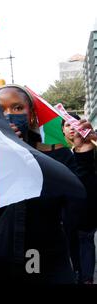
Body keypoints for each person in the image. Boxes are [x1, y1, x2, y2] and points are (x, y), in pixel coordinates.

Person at [0, 84, 92, 283]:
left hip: (48, 268)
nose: (8, 115)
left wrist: (84, 156)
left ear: (31, 115)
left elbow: (83, 219)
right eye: (0, 109)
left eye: (17, 108)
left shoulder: (57, 157)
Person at [62, 114, 97, 284]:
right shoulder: (60, 154)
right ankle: (77, 272)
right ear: (62, 130)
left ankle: (87, 279)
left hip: (88, 209)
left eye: (74, 124)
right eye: (67, 125)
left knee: (86, 241)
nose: (71, 129)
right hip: (69, 213)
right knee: (72, 244)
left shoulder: (91, 146)